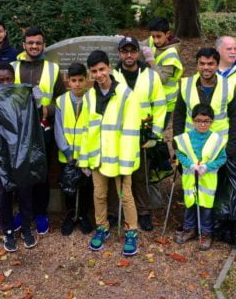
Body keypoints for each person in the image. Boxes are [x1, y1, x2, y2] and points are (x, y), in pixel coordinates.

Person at [78, 50, 142, 256]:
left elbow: (131, 131)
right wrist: (85, 160)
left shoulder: (126, 95)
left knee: (126, 197)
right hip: (98, 157)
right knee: (99, 195)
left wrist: (126, 163)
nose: (99, 74)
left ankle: (131, 231)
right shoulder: (89, 97)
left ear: (109, 68)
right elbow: (86, 130)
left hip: (120, 159)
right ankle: (102, 227)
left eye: (102, 69)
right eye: (94, 71)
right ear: (91, 73)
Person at [11, 27, 65, 234]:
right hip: (19, 131)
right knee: (22, 172)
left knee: (41, 172)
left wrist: (47, 109)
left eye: (38, 43)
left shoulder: (53, 69)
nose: (34, 46)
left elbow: (61, 100)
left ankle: (41, 212)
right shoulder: (13, 67)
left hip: (44, 128)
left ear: (43, 45)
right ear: (24, 44)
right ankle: (23, 212)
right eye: (30, 42)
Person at [112, 36, 166, 231]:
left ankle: (143, 212)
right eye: (125, 51)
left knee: (141, 176)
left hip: (143, 135)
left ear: (138, 53)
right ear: (119, 53)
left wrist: (155, 135)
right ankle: (117, 211)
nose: (129, 55)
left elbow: (160, 106)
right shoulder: (112, 75)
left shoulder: (151, 76)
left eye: (132, 51)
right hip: (119, 135)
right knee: (118, 174)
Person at [0, 63, 37, 251]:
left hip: (21, 157)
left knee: (25, 195)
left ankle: (26, 228)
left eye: (9, 79)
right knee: (3, 197)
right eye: (1, 81)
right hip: (0, 159)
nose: (6, 83)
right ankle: (7, 231)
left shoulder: (21, 99)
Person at [173, 47, 236, 162]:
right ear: (197, 65)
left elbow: (235, 120)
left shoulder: (228, 86)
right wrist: (177, 145)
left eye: (210, 64)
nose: (206, 67)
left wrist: (231, 150)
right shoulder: (186, 85)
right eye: (202, 64)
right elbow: (179, 117)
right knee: (191, 180)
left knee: (217, 180)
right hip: (191, 147)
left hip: (218, 149)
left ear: (217, 65)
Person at [174, 103, 227, 250]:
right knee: (190, 204)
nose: (202, 124)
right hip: (190, 178)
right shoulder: (185, 138)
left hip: (207, 180)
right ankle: (189, 229)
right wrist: (190, 164)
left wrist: (207, 167)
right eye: (199, 121)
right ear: (193, 120)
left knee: (206, 207)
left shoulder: (217, 140)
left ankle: (206, 233)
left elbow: (222, 158)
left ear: (212, 122)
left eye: (206, 121)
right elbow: (180, 154)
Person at [54, 62, 94, 236]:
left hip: (86, 155)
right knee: (69, 187)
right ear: (68, 81)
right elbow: (58, 128)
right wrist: (66, 151)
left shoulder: (92, 99)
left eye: (80, 80)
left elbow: (94, 128)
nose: (77, 84)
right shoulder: (61, 101)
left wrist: (86, 153)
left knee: (86, 187)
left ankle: (84, 215)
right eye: (73, 80)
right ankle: (70, 215)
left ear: (86, 81)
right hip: (68, 155)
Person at [140, 17, 183, 126]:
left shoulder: (171, 54)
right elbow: (139, 46)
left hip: (165, 102)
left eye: (159, 36)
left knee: (156, 134)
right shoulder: (152, 41)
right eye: (153, 36)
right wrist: (123, 41)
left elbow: (163, 79)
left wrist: (151, 61)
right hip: (151, 99)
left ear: (167, 34)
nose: (155, 40)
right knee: (147, 133)